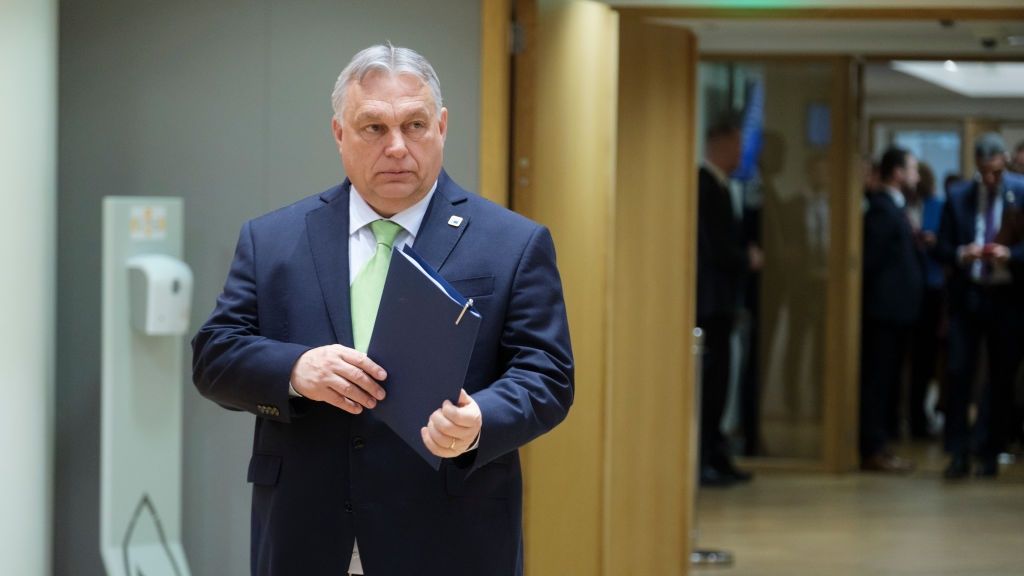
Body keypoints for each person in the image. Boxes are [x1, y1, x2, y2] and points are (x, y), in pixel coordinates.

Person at [191, 44, 574, 576]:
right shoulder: (272, 240)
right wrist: (297, 372)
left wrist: (480, 420)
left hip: (450, 534)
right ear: (339, 134)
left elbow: (547, 375)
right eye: (373, 128)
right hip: (307, 534)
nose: (397, 147)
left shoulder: (512, 243)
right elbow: (214, 357)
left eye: (415, 125)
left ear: (441, 126)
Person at [935, 133, 1024, 479]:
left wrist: (1009, 255)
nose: (990, 179)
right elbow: (941, 246)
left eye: (996, 172)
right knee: (958, 373)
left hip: (1007, 297)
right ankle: (957, 452)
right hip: (968, 294)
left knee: (1001, 377)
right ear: (976, 166)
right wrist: (962, 252)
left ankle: (989, 450)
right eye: (984, 172)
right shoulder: (958, 197)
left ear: (1004, 163)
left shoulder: (1020, 190)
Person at [696, 116, 757, 486]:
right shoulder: (703, 185)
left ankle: (716, 454)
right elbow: (714, 248)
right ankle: (705, 459)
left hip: (721, 305)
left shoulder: (721, 186)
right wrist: (745, 257)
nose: (740, 155)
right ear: (718, 145)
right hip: (709, 303)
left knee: (721, 383)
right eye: (736, 146)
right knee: (710, 384)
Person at [860, 147, 922, 473]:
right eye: (913, 169)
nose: (918, 176)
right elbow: (871, 262)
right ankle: (873, 448)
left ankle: (880, 445)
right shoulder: (882, 209)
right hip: (884, 312)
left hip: (897, 312)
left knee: (888, 381)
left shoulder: (895, 208)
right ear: (897, 172)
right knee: (878, 381)